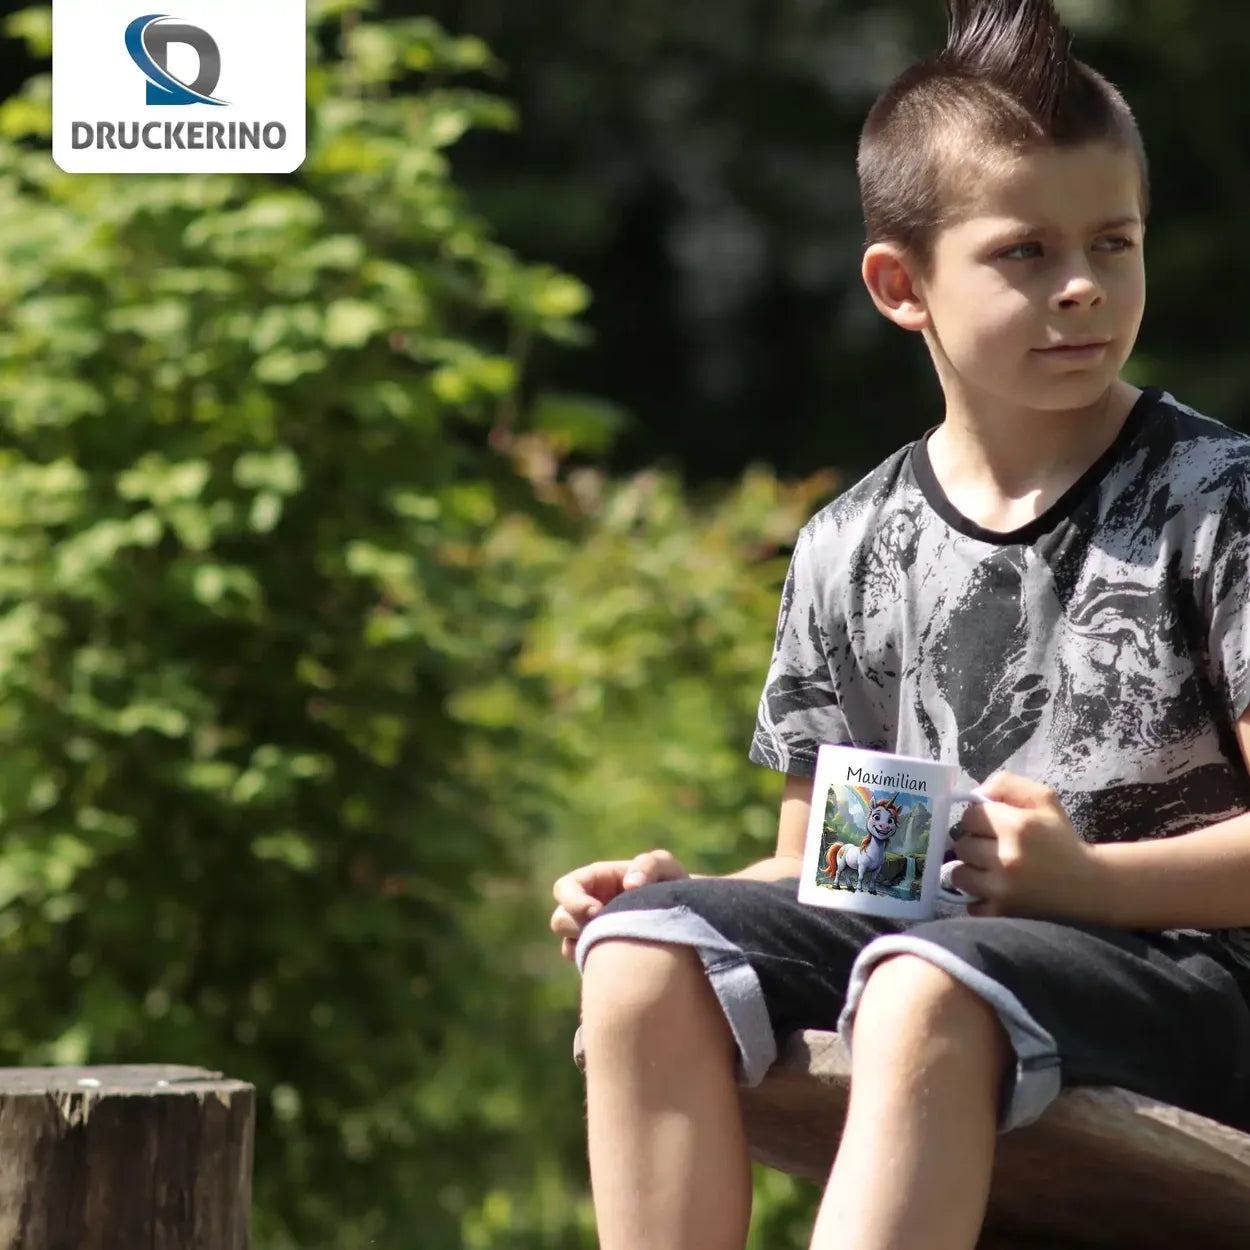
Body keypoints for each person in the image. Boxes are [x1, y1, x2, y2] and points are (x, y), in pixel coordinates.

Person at [549, 1, 1250, 1247]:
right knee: (642, 950)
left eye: (1113, 242)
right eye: (1023, 252)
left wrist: (1086, 884)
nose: (1081, 284)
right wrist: (696, 887)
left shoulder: (1221, 502)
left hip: (1197, 986)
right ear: (899, 284)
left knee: (922, 980)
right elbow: (845, 869)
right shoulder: (849, 544)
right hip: (942, 959)